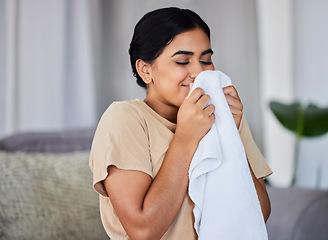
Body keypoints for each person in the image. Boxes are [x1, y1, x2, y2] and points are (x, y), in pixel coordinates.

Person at [89, 7, 272, 240]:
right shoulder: (125, 119)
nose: (199, 71)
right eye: (183, 61)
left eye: (205, 60)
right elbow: (143, 231)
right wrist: (186, 138)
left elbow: (258, 214)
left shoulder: (220, 115)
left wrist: (230, 135)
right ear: (145, 69)